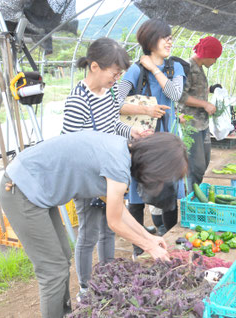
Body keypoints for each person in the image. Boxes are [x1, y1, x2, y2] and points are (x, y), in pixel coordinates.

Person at [0, 131, 188, 318]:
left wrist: (150, 238)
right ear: (156, 164)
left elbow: (119, 210)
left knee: (62, 257)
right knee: (53, 271)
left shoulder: (120, 150)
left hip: (37, 188)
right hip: (21, 189)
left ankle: (65, 314)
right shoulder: (118, 166)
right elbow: (114, 222)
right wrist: (149, 247)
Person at [61, 37, 148, 302]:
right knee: (88, 233)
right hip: (87, 177)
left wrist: (130, 130)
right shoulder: (78, 100)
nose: (117, 78)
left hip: (109, 172)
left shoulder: (109, 93)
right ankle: (86, 287)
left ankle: (109, 276)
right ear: (95, 66)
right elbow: (72, 146)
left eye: (120, 73)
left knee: (110, 228)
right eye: (115, 73)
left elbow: (112, 126)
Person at [118, 19, 186, 257]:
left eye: (170, 37)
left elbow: (174, 93)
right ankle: (139, 250)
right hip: (141, 144)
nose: (169, 41)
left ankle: (170, 243)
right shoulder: (135, 71)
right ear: (150, 41)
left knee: (170, 194)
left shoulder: (174, 68)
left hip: (167, 146)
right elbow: (113, 103)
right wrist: (145, 110)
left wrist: (155, 69)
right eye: (164, 37)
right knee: (136, 197)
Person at [178, 36, 223, 193]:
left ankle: (194, 193)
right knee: (195, 167)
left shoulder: (199, 67)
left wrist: (210, 89)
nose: (215, 61)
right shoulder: (187, 67)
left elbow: (194, 89)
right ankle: (192, 199)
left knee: (204, 162)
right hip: (191, 126)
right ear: (207, 54)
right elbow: (180, 96)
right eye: (215, 58)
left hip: (203, 124)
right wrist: (205, 104)